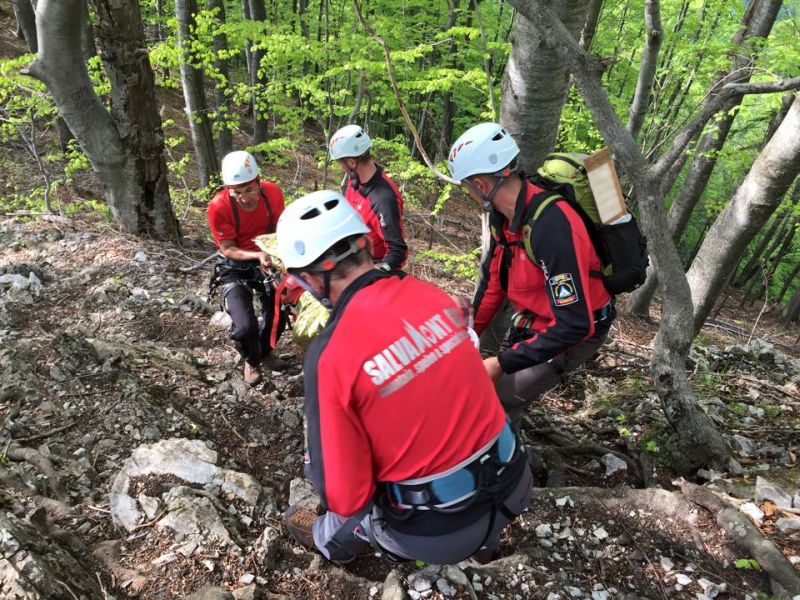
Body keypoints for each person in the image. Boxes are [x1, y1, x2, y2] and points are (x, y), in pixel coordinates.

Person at [277, 190, 531, 565]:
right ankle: (486, 546)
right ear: (366, 244)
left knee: (338, 514)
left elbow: (346, 495)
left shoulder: (330, 353)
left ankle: (331, 549)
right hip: (514, 483)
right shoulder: (434, 295)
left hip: (436, 532)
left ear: (311, 280)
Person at [447, 123, 616, 428]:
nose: (468, 193)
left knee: (497, 398)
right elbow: (494, 283)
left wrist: (502, 363)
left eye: (466, 187)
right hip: (535, 319)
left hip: (574, 331)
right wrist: (466, 330)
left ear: (481, 186)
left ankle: (509, 467)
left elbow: (575, 325)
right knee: (492, 394)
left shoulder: (552, 227)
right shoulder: (506, 218)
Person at [207, 151, 288, 386]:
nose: (244, 198)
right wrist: (257, 254)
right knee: (244, 327)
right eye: (237, 192)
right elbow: (228, 248)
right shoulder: (219, 206)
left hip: (267, 259)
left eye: (249, 190)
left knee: (277, 315)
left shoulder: (272, 194)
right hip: (234, 265)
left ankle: (264, 352)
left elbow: (280, 228)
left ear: (259, 181)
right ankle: (251, 359)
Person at [328, 124, 408, 270]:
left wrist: (374, 273)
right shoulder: (355, 183)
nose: (341, 168)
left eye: (341, 163)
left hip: (369, 266)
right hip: (350, 257)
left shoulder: (383, 199)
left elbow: (397, 251)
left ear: (352, 162)